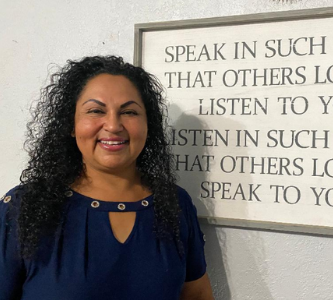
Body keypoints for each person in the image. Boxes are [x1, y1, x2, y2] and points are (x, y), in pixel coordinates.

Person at [0, 55, 214, 300]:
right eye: (95, 111)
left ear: (148, 124)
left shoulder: (175, 204)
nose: (113, 125)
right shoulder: (24, 207)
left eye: (129, 112)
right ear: (71, 125)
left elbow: (197, 295)